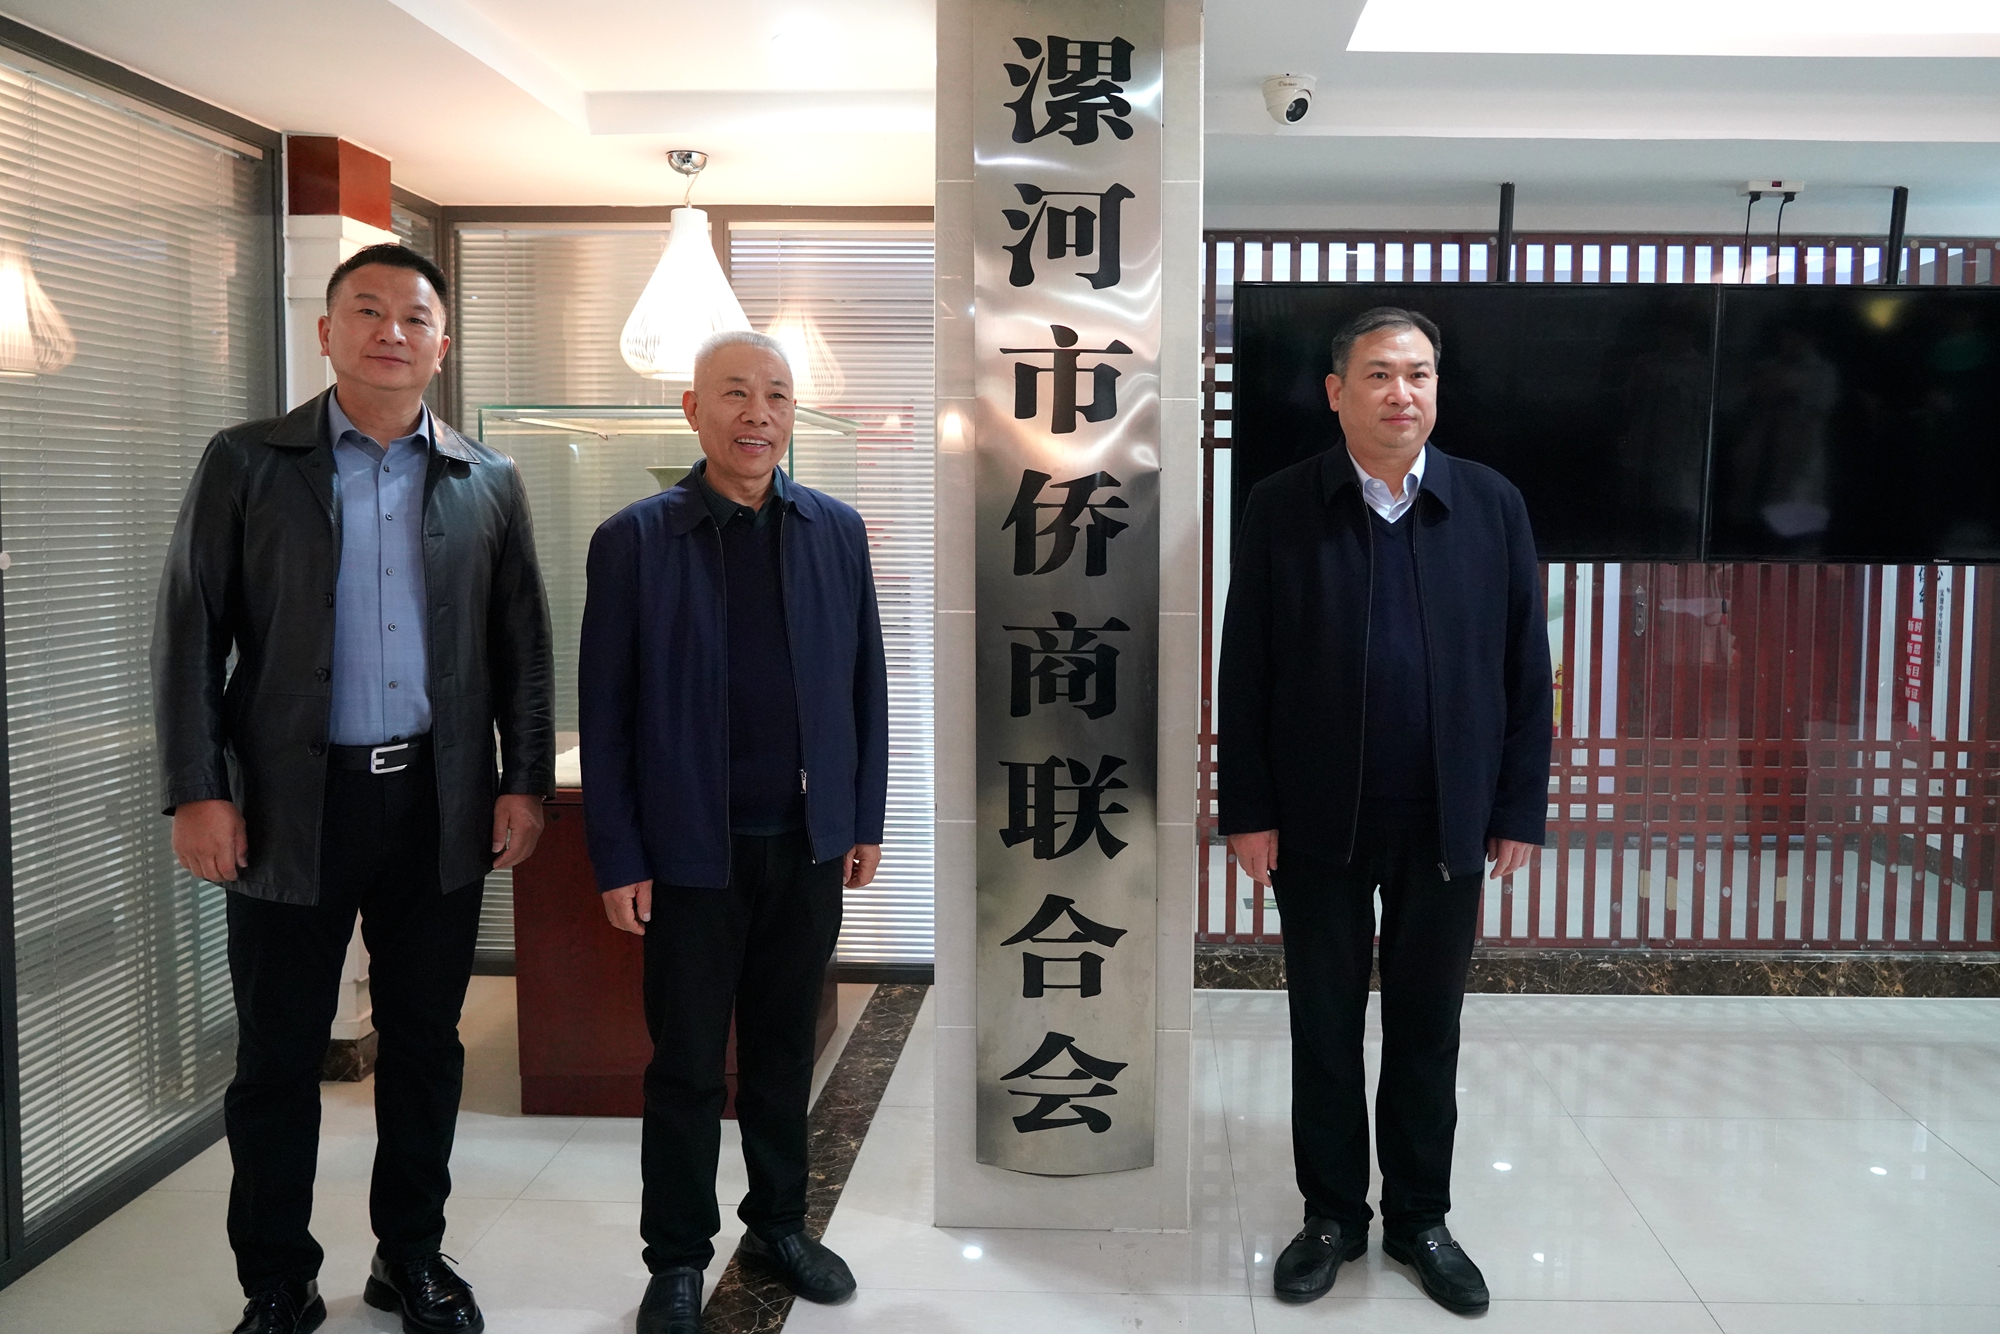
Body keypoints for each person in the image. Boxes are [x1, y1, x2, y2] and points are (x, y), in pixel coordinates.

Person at [152, 242, 554, 1334]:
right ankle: (277, 1278)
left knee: (426, 1044)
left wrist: (524, 783)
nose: (390, 331)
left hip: (437, 801)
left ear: (441, 345)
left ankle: (408, 1256)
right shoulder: (248, 461)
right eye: (366, 311)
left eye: (413, 316)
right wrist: (198, 788)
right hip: (289, 805)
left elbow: (520, 647)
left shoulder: (486, 479)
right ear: (326, 333)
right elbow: (191, 629)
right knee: (278, 1054)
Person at [1219, 306, 1551, 1315]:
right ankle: (1330, 1215)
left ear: (1436, 388)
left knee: (1426, 1028)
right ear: (1336, 392)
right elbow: (1246, 668)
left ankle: (1418, 1218)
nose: (1400, 392)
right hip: (1319, 818)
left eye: (1418, 374)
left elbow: (1523, 668)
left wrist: (1516, 807)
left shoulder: (1489, 504)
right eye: (1377, 374)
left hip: (1447, 820)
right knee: (1322, 1026)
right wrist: (1247, 809)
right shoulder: (1282, 505)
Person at [578, 329, 888, 1334]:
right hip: (688, 855)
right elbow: (606, 714)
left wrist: (862, 815)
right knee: (683, 1064)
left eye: (777, 395)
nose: (759, 414)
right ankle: (676, 1256)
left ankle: (779, 1226)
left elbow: (865, 685)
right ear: (692, 409)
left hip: (804, 842)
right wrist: (619, 854)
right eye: (736, 394)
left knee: (783, 1052)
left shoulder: (835, 530)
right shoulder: (635, 540)